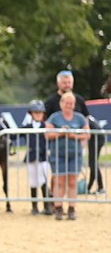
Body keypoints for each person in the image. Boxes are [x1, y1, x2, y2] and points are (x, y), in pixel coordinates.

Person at [45, 91, 89, 220]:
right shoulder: (54, 117)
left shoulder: (80, 118)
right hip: (57, 154)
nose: (69, 105)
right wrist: (60, 133)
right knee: (59, 181)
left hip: (74, 154)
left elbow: (87, 134)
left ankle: (72, 208)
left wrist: (73, 136)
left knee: (72, 182)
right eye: (66, 103)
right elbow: (47, 134)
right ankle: (58, 207)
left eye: (71, 103)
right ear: (61, 103)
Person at [20, 99, 52, 216]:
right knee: (33, 181)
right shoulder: (27, 127)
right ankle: (34, 207)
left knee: (43, 180)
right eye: (35, 112)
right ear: (31, 114)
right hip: (32, 156)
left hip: (43, 157)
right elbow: (15, 134)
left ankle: (47, 206)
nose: (38, 115)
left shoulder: (46, 126)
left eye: (40, 112)